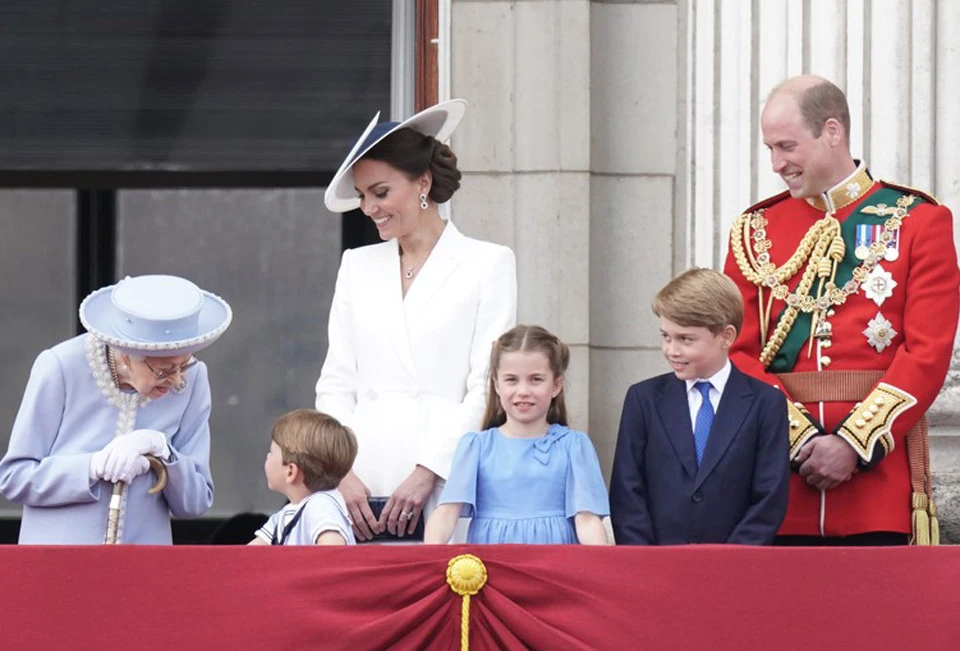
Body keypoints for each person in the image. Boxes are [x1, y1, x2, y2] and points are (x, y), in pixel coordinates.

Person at [723, 75, 960, 545]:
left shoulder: (917, 220)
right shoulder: (754, 231)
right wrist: (799, 439)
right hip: (780, 485)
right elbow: (733, 350)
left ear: (832, 131)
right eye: (770, 148)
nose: (776, 164)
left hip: (876, 485)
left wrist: (854, 443)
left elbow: (927, 354)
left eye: (787, 146)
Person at [317, 99, 518, 542]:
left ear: (423, 182)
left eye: (380, 192)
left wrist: (430, 470)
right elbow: (336, 381)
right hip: (360, 481)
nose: (368, 208)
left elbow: (486, 384)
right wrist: (341, 471)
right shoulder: (356, 265)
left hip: (447, 478)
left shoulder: (487, 263)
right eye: (362, 196)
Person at [0, 274, 232, 544]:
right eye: (164, 370)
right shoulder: (60, 367)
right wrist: (92, 467)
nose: (178, 379)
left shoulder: (194, 379)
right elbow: (14, 478)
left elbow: (196, 502)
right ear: (125, 355)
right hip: (59, 559)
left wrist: (164, 452)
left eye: (185, 364)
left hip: (143, 563)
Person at [609, 269, 789, 545]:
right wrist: (645, 559)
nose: (671, 350)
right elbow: (627, 490)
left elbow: (769, 496)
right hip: (656, 561)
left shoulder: (766, 404)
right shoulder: (643, 399)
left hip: (735, 563)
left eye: (685, 339)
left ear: (726, 336)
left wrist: (730, 560)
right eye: (666, 337)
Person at [424, 325, 609, 545]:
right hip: (491, 560)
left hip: (555, 560)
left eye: (536, 379)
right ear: (496, 385)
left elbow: (587, 519)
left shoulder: (574, 446)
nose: (523, 391)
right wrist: (431, 556)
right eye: (512, 379)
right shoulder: (476, 447)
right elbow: (446, 513)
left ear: (556, 385)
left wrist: (600, 562)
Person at [249, 409, 357, 546]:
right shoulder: (285, 515)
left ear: (290, 471)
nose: (267, 456)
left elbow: (333, 548)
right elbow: (249, 553)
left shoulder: (321, 505)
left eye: (271, 452)